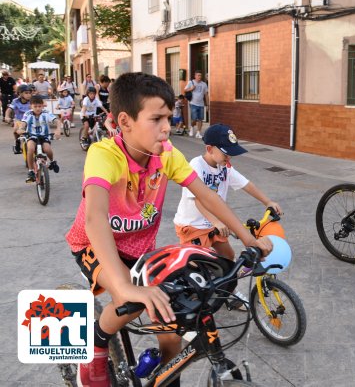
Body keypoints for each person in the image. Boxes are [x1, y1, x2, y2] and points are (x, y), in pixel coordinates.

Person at [64, 72, 272, 387]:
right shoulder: (104, 155)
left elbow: (208, 197)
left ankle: (166, 378)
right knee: (128, 304)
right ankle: (96, 346)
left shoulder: (167, 156)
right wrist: (124, 287)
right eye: (157, 118)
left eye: (169, 117)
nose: (167, 126)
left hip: (138, 249)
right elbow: (95, 218)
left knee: (171, 325)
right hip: (94, 244)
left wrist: (248, 238)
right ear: (125, 121)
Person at [173, 123, 282, 308]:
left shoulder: (225, 167)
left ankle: (228, 293)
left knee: (228, 256)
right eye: (226, 153)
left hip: (214, 226)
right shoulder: (196, 165)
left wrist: (267, 201)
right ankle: (188, 301)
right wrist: (216, 221)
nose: (229, 157)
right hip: (192, 226)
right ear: (209, 149)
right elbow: (199, 199)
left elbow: (246, 184)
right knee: (196, 267)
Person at [22, 95, 60, 182]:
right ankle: (31, 171)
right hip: (32, 136)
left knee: (47, 149)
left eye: (39, 106)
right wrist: (21, 128)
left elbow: (57, 121)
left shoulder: (46, 113)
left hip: (44, 136)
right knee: (30, 148)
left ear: (42, 106)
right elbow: (23, 123)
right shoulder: (28, 113)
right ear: (31, 106)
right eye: (35, 106)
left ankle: (53, 161)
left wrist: (58, 130)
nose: (37, 108)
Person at [7, 84, 32, 154]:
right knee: (15, 130)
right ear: (20, 94)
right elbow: (9, 109)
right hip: (19, 120)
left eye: (30, 93)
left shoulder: (32, 101)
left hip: (30, 120)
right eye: (26, 93)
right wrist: (7, 117)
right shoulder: (15, 101)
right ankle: (17, 142)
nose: (28, 95)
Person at [184, 71, 209, 139]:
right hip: (193, 103)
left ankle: (198, 133)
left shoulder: (204, 84)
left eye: (200, 75)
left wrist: (207, 105)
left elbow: (206, 95)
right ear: (195, 76)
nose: (199, 77)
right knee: (194, 118)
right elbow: (185, 90)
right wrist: (191, 89)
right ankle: (192, 128)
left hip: (201, 104)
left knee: (200, 119)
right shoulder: (191, 82)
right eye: (198, 75)